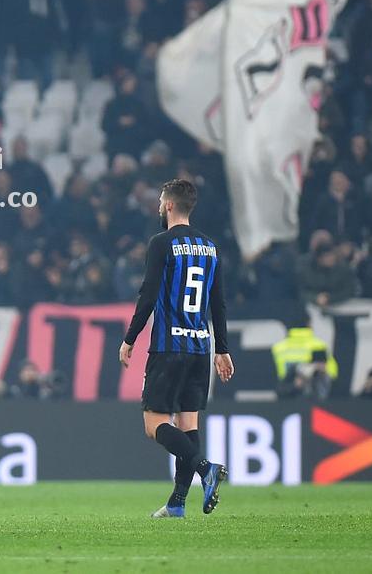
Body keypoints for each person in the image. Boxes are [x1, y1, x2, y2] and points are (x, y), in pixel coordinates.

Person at [119, 178, 233, 519]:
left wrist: (130, 338)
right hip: (201, 348)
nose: (158, 208)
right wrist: (222, 349)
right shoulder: (211, 247)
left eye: (159, 202)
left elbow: (148, 294)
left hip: (170, 347)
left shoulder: (161, 243)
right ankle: (177, 503)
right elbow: (219, 303)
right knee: (188, 426)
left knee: (154, 424)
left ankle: (206, 468)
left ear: (169, 205)